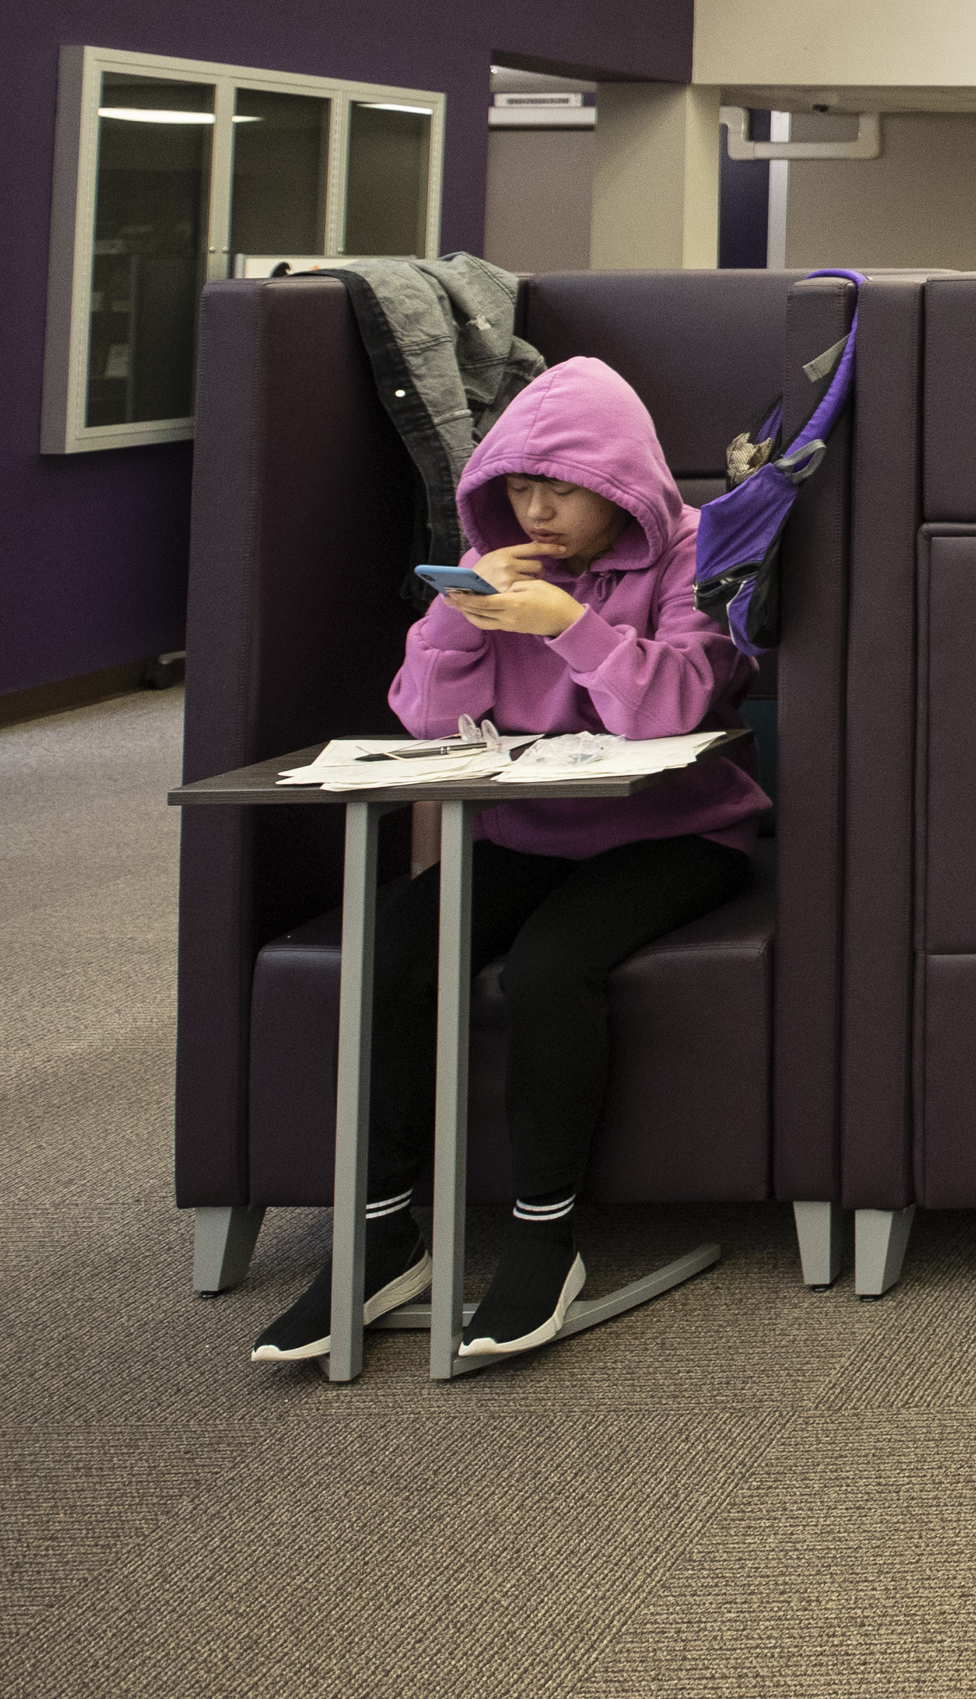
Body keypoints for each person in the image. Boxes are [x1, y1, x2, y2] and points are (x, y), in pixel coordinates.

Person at [252, 355, 766, 1369]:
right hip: (529, 830)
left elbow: (680, 705)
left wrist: (571, 629)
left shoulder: (696, 551)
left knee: (549, 967)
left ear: (619, 483)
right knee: (396, 946)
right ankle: (383, 1227)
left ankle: (543, 1234)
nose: (536, 510)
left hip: (680, 833)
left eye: (559, 490)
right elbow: (428, 724)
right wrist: (459, 615)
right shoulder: (498, 566)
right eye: (518, 488)